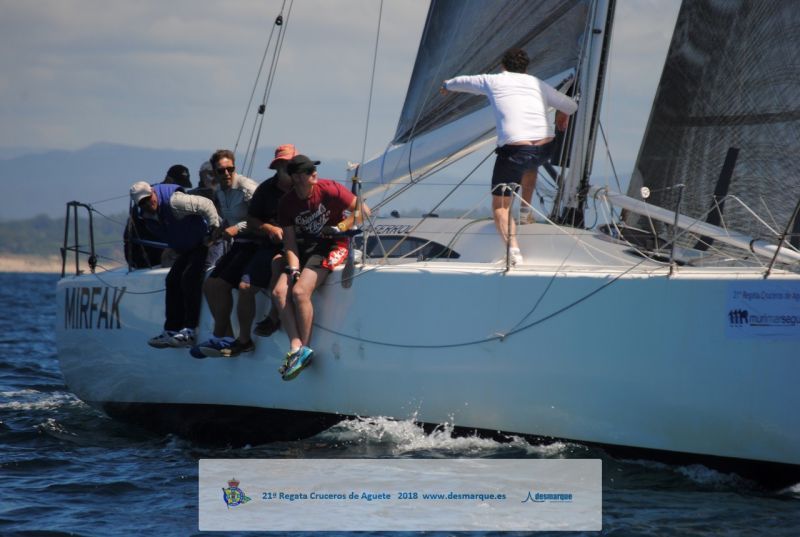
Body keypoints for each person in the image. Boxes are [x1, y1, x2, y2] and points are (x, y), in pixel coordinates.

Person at [441, 47, 577, 265]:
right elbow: (571, 105)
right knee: (529, 163)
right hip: (545, 149)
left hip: (515, 151)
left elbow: (464, 82)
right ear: (525, 68)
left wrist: (446, 85)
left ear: (502, 66)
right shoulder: (536, 83)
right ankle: (525, 212)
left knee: (501, 207)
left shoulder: (493, 81)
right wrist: (561, 114)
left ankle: (513, 251)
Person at [272, 154, 369, 381]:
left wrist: (340, 226)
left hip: (333, 245)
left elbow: (363, 211)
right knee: (278, 292)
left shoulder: (329, 188)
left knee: (299, 292)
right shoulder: (287, 203)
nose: (313, 173)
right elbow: (289, 242)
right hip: (306, 248)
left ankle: (305, 350)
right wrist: (294, 268)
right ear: (296, 177)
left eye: (313, 169)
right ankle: (296, 346)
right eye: (308, 171)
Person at [129, 180, 220, 348]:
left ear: (153, 193)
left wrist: (214, 229)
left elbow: (207, 204)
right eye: (142, 202)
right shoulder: (146, 215)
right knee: (171, 280)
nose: (148, 203)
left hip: (208, 242)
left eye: (149, 198)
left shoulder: (175, 201)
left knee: (190, 278)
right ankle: (171, 329)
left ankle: (191, 330)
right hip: (188, 247)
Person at [191, 149, 259, 358]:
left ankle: (219, 336)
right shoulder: (220, 191)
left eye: (231, 169)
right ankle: (228, 339)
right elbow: (230, 219)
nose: (227, 174)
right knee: (209, 285)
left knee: (220, 285)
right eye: (222, 171)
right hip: (239, 244)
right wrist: (220, 230)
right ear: (216, 172)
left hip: (255, 244)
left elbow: (260, 219)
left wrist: (236, 228)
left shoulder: (247, 188)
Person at [245, 144, 298, 338]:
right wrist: (270, 228)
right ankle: (242, 338)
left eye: (291, 163)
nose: (287, 167)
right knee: (245, 287)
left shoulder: (305, 185)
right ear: (276, 167)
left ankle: (273, 317)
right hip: (271, 243)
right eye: (283, 164)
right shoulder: (266, 188)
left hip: (298, 244)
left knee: (279, 264)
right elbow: (251, 219)